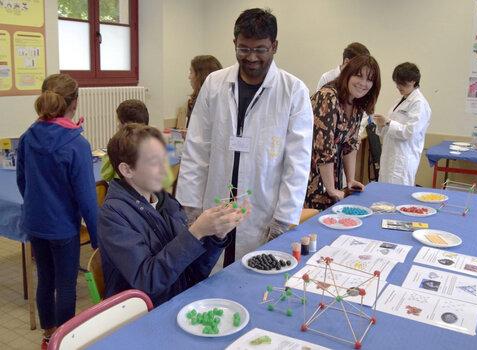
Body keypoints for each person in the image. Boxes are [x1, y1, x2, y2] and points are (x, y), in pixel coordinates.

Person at [176, 8, 313, 266]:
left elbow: (298, 162)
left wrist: (284, 219)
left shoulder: (293, 91)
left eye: (260, 49)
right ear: (234, 43)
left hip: (263, 208)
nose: (251, 57)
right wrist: (191, 207)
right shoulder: (214, 84)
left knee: (253, 277)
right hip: (215, 204)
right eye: (243, 48)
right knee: (207, 276)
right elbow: (196, 148)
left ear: (274, 46)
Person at [97, 124, 249, 306]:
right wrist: (195, 233)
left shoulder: (164, 201)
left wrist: (216, 235)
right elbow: (149, 282)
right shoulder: (113, 216)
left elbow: (192, 272)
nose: (165, 169)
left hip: (178, 301)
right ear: (127, 170)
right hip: (143, 316)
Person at [16, 74, 98, 348]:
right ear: (74, 103)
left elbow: (22, 181)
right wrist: (97, 240)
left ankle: (48, 335)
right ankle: (63, 340)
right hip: (63, 227)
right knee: (65, 285)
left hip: (36, 224)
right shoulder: (77, 145)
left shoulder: (28, 136)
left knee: (45, 280)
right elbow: (87, 199)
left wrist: (37, 207)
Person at [306, 55, 381, 210]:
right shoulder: (327, 97)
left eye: (369, 79)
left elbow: (350, 144)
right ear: (347, 74)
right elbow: (323, 148)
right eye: (358, 76)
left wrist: (350, 180)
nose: (363, 83)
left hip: (331, 175)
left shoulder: (357, 103)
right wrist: (331, 189)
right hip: (310, 176)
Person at [373, 62, 431, 186]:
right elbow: (389, 129)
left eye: (403, 83)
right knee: (385, 194)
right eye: (397, 83)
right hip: (390, 154)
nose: (399, 86)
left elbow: (410, 132)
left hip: (403, 158)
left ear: (413, 81)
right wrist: (381, 124)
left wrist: (388, 122)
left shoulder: (419, 104)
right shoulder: (400, 100)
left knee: (397, 195)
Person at [100, 99, 174, 191]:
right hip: (154, 199)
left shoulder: (119, 147)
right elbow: (167, 181)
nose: (118, 125)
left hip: (127, 197)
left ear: (126, 126)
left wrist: (109, 151)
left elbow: (105, 175)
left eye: (119, 122)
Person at [185, 55, 223, 128]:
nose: (189, 77)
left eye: (191, 72)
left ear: (201, 75)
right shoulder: (194, 100)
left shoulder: (218, 101)